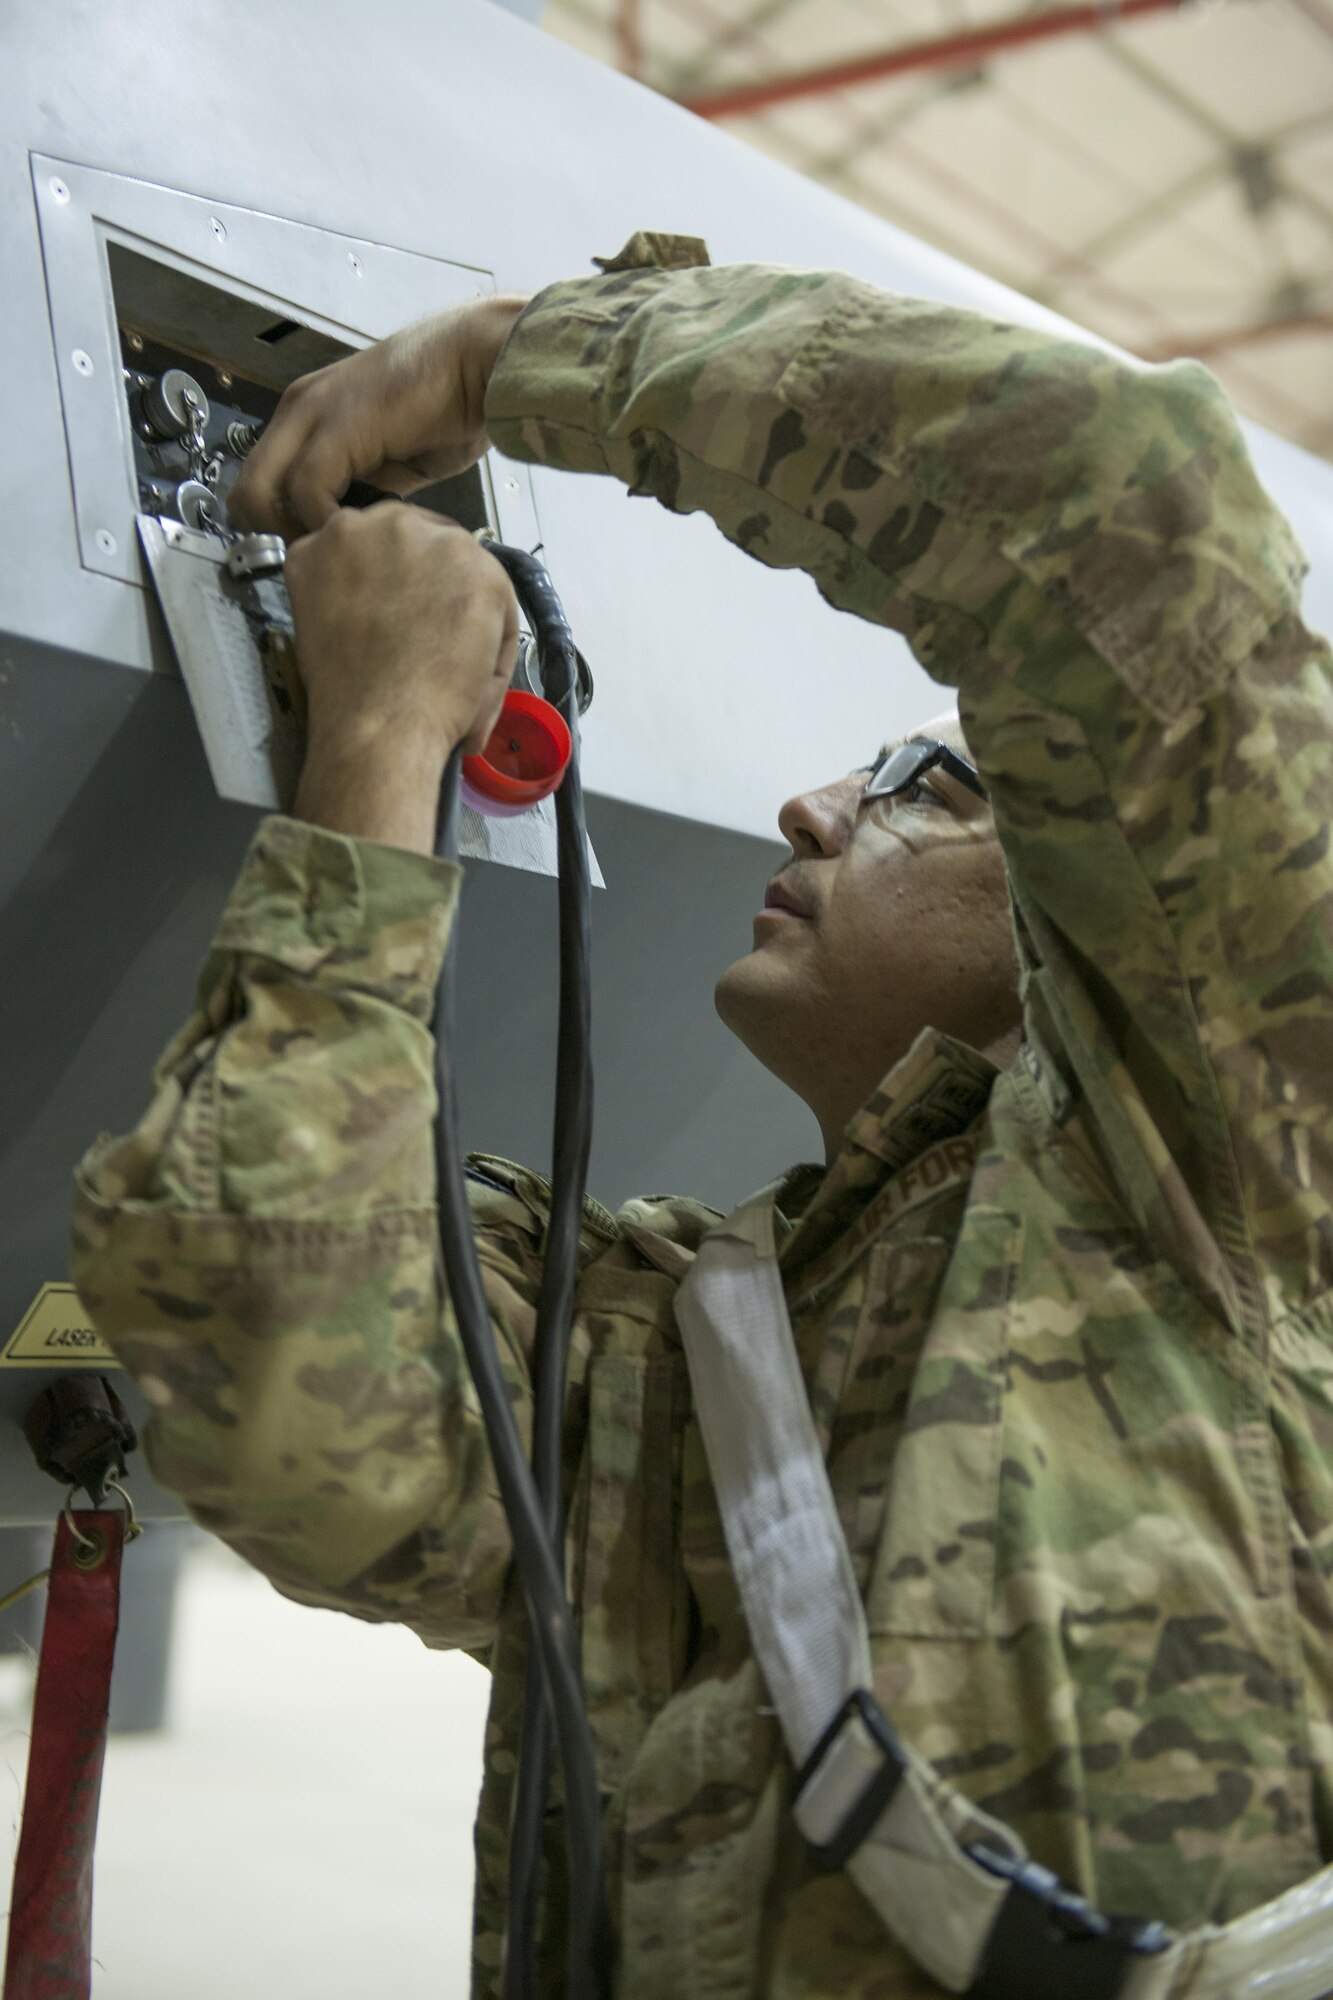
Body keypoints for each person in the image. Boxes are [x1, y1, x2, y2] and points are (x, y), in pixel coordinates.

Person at [71, 235, 1333, 1999]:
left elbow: (1125, 512)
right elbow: (273, 1380)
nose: (810, 809)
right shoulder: (678, 1349)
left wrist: (511, 358)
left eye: (923, 786)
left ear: (1097, 916)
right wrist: (373, 757)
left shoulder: (1226, 1174)